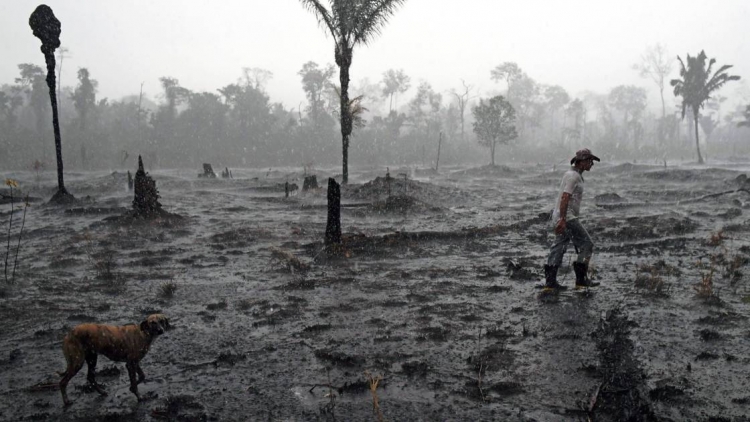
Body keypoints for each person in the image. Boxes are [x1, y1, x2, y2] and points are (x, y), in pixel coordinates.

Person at [543, 148, 601, 289]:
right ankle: (581, 280)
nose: (592, 164)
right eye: (589, 161)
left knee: (559, 246)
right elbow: (565, 197)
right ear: (581, 162)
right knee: (587, 244)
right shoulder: (573, 176)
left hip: (563, 216)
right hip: (567, 217)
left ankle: (550, 283)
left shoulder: (574, 175)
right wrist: (563, 219)